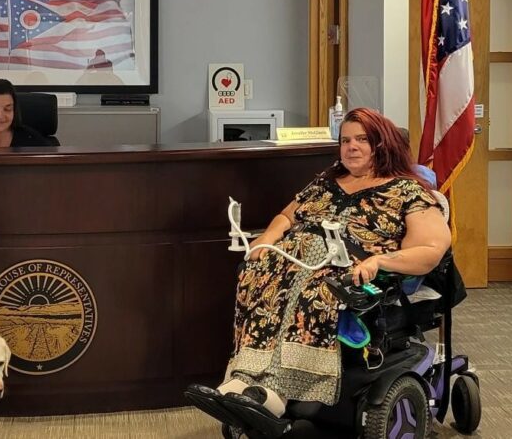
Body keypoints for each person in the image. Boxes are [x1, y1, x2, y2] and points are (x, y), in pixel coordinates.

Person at [186, 107, 452, 427]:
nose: (351, 147)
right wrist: (267, 237)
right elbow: (287, 216)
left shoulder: (406, 191)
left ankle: (278, 394)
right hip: (293, 257)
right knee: (255, 277)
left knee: (310, 291)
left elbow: (433, 249)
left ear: (382, 144)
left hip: (345, 266)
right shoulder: (327, 181)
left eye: (362, 140)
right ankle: (244, 380)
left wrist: (379, 261)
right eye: (345, 140)